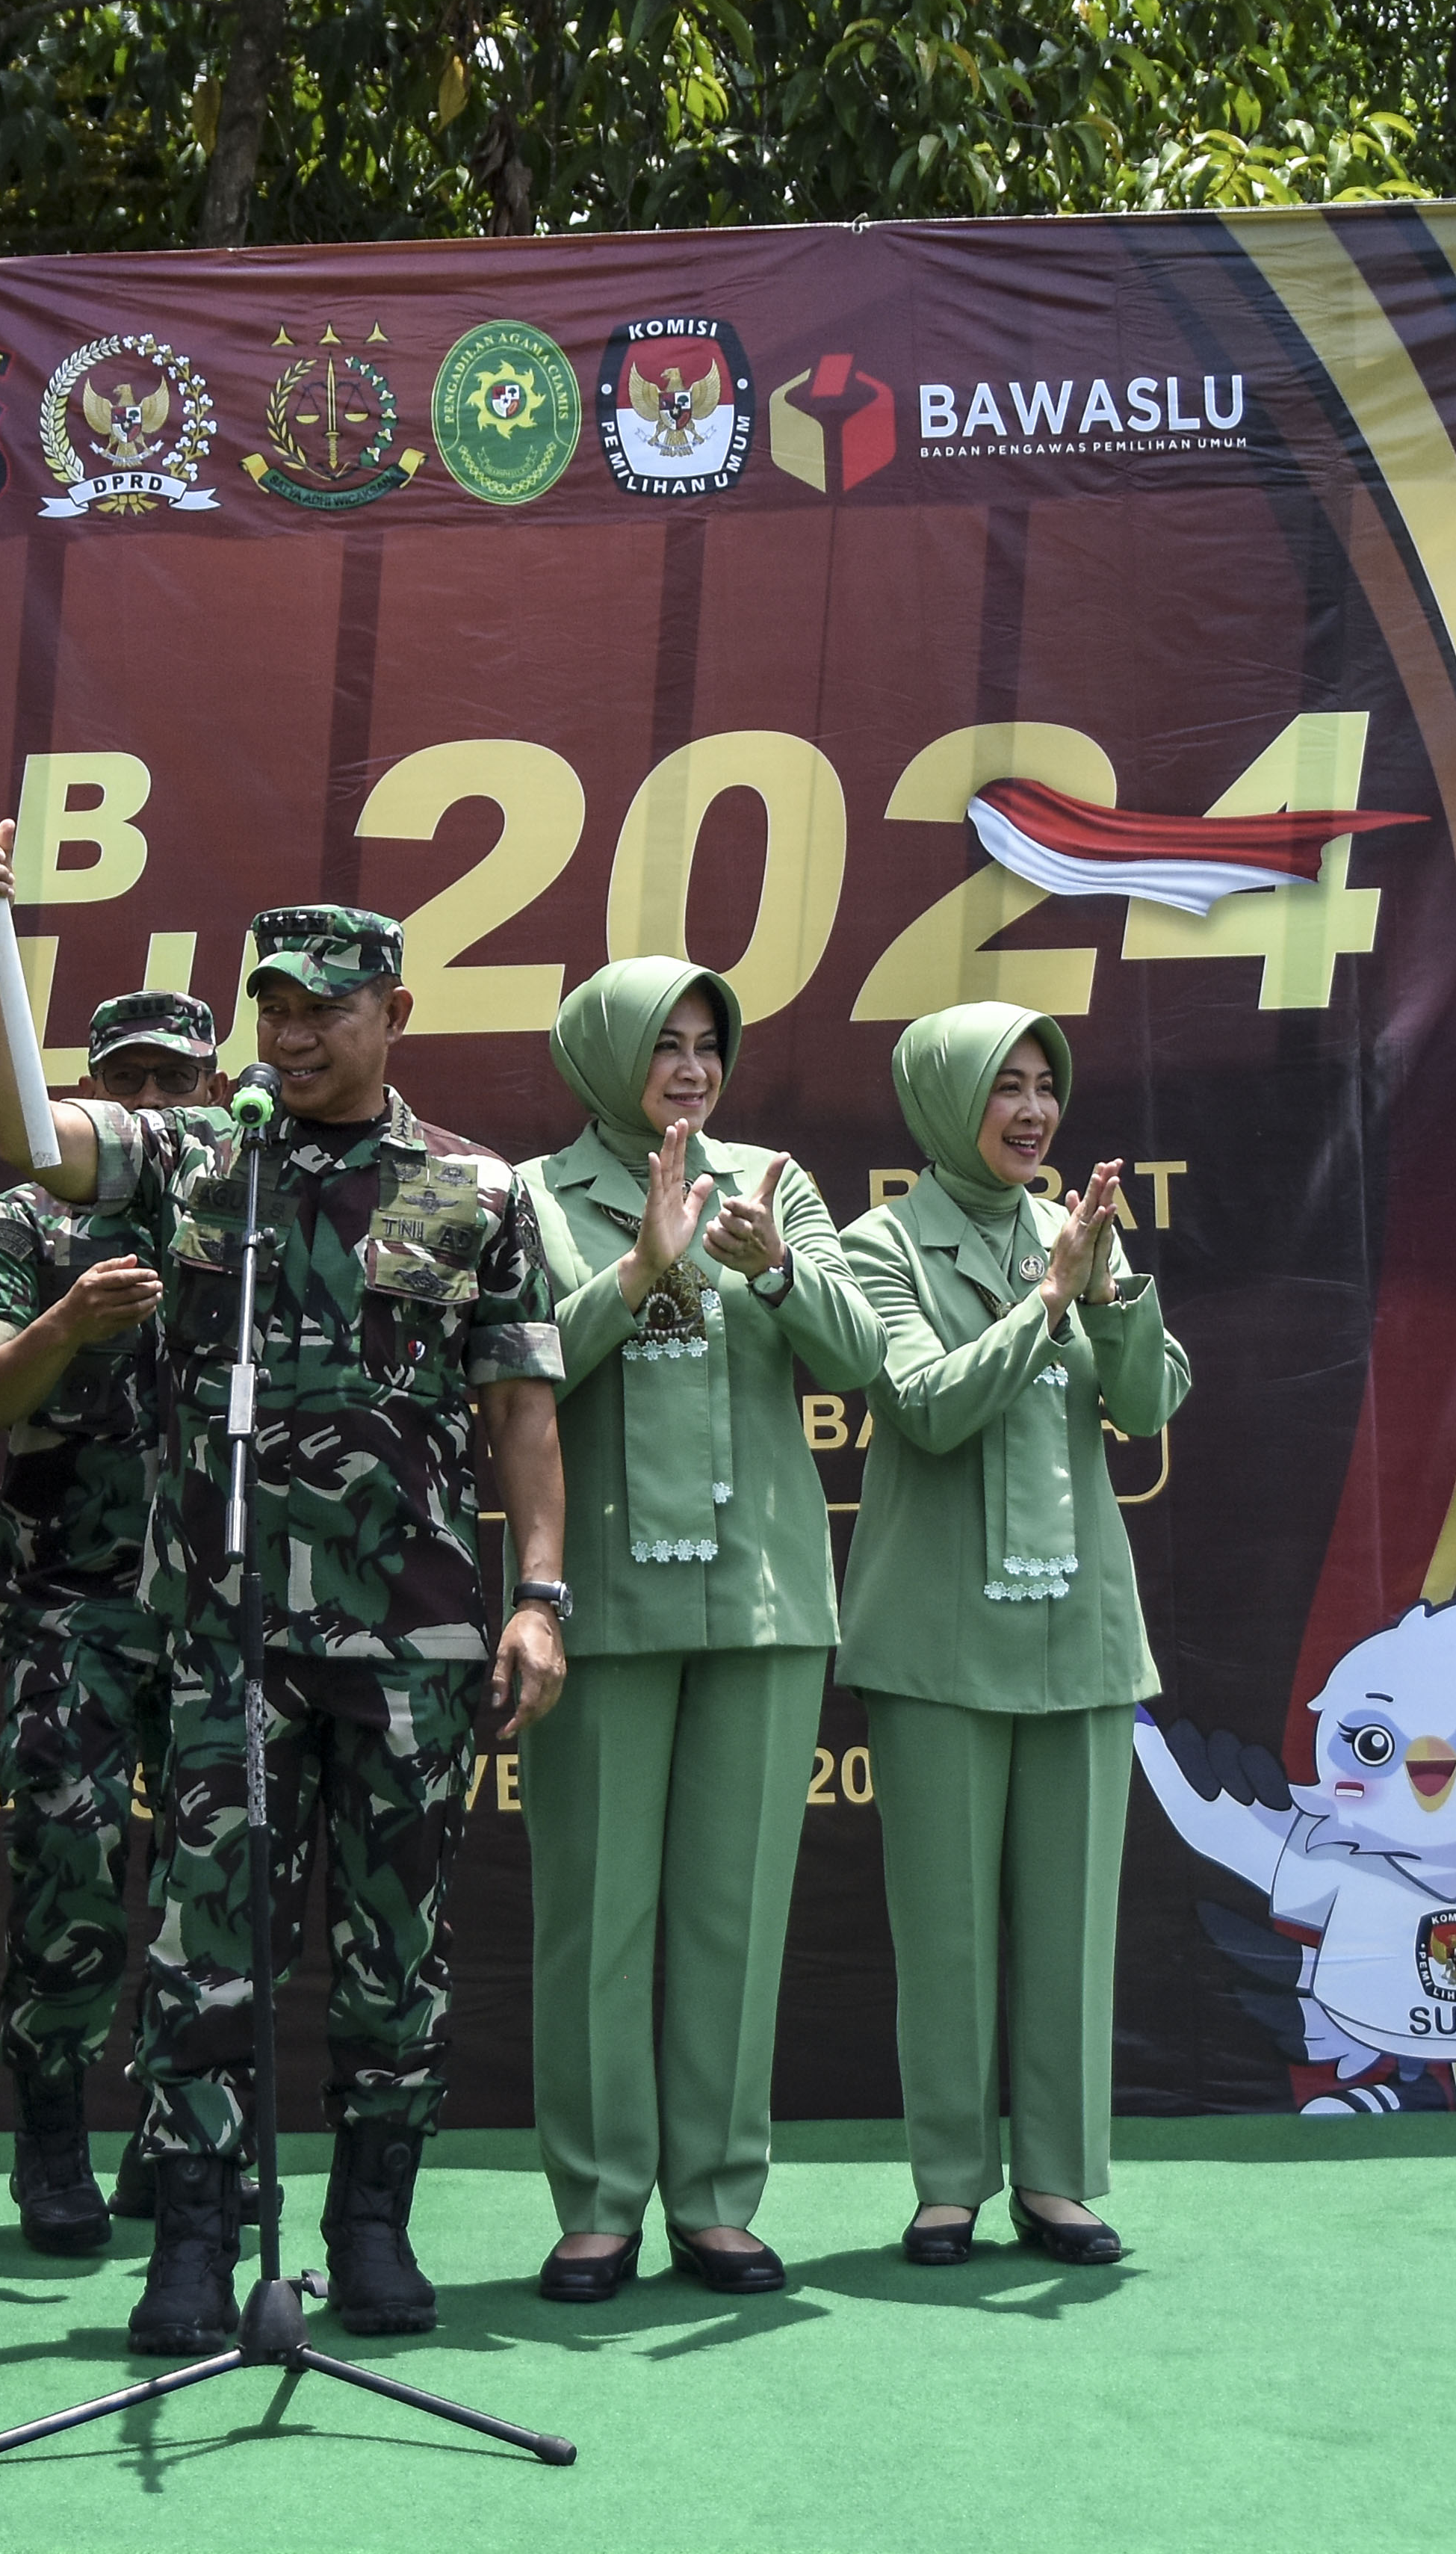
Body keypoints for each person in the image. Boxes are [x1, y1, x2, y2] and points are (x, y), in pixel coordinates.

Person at [0, 826, 569, 2357]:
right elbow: (28, 1130)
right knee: (204, 1945)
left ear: (393, 1013)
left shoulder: (476, 1190)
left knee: (394, 1944)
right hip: (226, 1637)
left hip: (412, 1636)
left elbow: (521, 1410)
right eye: (272, 1007)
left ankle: (371, 2224)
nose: (289, 1035)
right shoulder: (198, 1159)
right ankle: (199, 2237)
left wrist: (541, 1594)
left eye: (322, 1009)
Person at [518, 959, 881, 2301]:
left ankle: (719, 2197)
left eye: (707, 1046)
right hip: (603, 1604)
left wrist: (775, 1270)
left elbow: (860, 1361)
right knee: (597, 1915)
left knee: (735, 1913)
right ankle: (600, 2202)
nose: (689, 1069)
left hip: (761, 1600)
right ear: (606, 1055)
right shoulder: (531, 1197)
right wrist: (640, 1270)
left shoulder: (774, 1182)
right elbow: (516, 1374)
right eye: (663, 1045)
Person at [837, 1001, 1188, 2269]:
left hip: (1080, 1636)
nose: (1033, 1110)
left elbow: (1147, 1402)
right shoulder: (880, 1245)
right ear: (946, 1100)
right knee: (945, 1931)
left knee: (1070, 1931)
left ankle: (1058, 2180)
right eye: (1005, 1085)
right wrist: (1048, 1296)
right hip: (937, 1643)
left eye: (1045, 1085)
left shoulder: (1080, 1231)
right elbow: (925, 1406)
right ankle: (948, 2184)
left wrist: (1111, 1287)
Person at [0, 988, 214, 2252]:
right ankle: (52, 2131)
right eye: (130, 1082)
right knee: (72, 1861)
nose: (153, 1104)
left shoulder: (244, 1210)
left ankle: (182, 2133)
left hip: (219, 1601)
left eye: (177, 1082)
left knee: (216, 1885)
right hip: (75, 1594)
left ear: (212, 1087)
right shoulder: (28, 1217)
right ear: (92, 1089)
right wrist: (69, 1321)